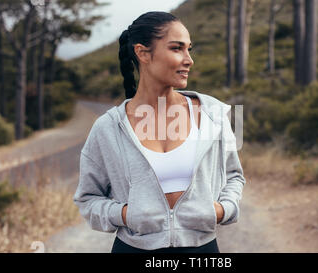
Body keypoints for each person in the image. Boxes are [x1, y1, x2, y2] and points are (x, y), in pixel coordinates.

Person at [73, 11, 246, 253]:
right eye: (177, 48)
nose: (189, 59)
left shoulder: (213, 115)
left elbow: (234, 176)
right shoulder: (109, 127)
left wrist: (221, 210)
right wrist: (127, 214)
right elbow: (88, 198)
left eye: (189, 49)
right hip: (132, 248)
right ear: (143, 53)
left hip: (202, 250)